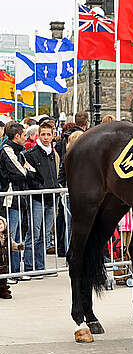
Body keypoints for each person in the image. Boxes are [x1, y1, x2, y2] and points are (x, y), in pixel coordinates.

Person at [24, 120, 60, 277]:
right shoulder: (31, 155)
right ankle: (30, 266)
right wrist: (41, 188)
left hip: (52, 199)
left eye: (48, 134)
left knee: (45, 235)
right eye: (43, 134)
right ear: (38, 135)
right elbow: (31, 177)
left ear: (53, 136)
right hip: (38, 199)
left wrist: (56, 190)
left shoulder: (53, 154)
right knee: (34, 233)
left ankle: (41, 266)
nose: (46, 137)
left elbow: (55, 175)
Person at [0, 122, 31, 280]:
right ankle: (8, 272)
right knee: (9, 237)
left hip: (20, 198)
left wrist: (27, 172)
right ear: (17, 136)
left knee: (18, 236)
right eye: (24, 135)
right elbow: (20, 173)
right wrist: (27, 172)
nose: (26, 138)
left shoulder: (20, 152)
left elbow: (31, 171)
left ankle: (17, 271)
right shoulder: (7, 151)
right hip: (10, 199)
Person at [0, 216, 24, 298]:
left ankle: (3, 289)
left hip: (4, 261)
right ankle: (3, 291)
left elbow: (12, 244)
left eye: (1, 224)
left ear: (5, 225)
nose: (0, 226)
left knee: (3, 278)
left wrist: (18, 247)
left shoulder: (7, 236)